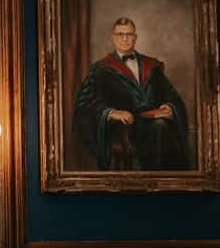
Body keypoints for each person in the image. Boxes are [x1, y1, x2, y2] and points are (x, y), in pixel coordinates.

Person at [71, 16, 190, 170]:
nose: (125, 39)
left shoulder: (152, 66)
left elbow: (172, 96)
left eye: (129, 34)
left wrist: (170, 107)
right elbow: (84, 104)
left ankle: (163, 182)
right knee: (158, 129)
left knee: (160, 127)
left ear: (135, 38)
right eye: (120, 34)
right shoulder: (100, 70)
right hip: (122, 129)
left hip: (154, 127)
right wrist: (110, 112)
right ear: (113, 38)